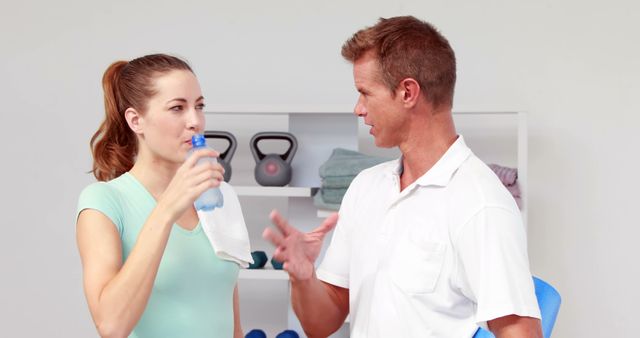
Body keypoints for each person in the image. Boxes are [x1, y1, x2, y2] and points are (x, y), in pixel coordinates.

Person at [263, 16, 543, 338]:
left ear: (408, 92)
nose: (358, 108)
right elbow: (320, 324)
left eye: (365, 93)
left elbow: (521, 332)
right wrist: (303, 277)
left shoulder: (480, 203)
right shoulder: (365, 188)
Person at [76, 54, 245, 338]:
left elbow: (233, 326)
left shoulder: (219, 196)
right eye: (177, 108)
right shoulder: (104, 202)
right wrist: (166, 210)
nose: (195, 121)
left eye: (199, 106)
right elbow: (111, 325)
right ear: (136, 120)